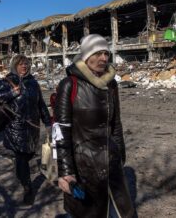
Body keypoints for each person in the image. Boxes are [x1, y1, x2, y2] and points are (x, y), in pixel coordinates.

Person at [54, 34, 134, 218]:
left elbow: (115, 123)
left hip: (111, 163)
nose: (104, 58)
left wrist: (120, 155)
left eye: (106, 53)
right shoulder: (70, 84)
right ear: (86, 56)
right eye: (98, 53)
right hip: (84, 167)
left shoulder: (111, 84)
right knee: (89, 212)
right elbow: (61, 130)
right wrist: (66, 172)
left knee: (121, 212)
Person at [0, 54, 51, 205]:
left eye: (26, 64)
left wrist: (48, 122)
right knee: (22, 156)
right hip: (15, 127)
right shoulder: (7, 81)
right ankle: (28, 188)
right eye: (20, 64)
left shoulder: (33, 82)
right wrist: (11, 94)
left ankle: (20, 172)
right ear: (14, 65)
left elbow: (41, 104)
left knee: (29, 154)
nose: (24, 66)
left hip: (32, 127)